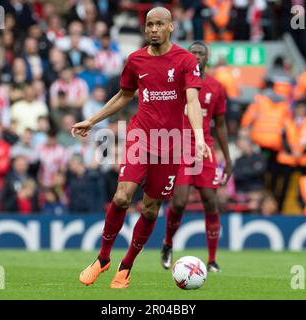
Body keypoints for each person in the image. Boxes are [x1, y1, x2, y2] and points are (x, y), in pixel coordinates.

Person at [72, 7, 208, 289]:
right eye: (149, 25)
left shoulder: (185, 60)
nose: (154, 29)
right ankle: (102, 259)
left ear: (171, 27)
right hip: (140, 136)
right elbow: (124, 95)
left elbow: (192, 101)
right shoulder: (135, 60)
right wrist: (92, 120)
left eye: (160, 24)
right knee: (122, 197)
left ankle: (126, 265)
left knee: (149, 209)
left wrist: (199, 137)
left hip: (171, 143)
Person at [160, 41, 232, 273]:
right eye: (193, 53)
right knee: (179, 202)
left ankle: (212, 260)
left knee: (211, 201)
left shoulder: (216, 87)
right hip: (179, 148)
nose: (198, 56)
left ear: (207, 59)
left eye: (201, 53)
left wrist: (228, 159)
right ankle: (168, 243)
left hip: (204, 149)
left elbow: (220, 124)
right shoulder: (175, 82)